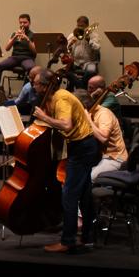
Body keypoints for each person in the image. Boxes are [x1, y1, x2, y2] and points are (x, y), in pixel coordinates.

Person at [31, 71, 99, 254]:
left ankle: (68, 241)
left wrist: (45, 118)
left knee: (69, 195)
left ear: (45, 86)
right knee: (84, 194)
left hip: (82, 148)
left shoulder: (61, 99)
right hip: (83, 147)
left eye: (36, 83)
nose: (33, 86)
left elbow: (66, 125)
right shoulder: (54, 98)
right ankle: (87, 237)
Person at [81, 89, 127, 180]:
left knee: (88, 178)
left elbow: (103, 138)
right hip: (100, 155)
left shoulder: (103, 114)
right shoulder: (91, 112)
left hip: (113, 158)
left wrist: (88, 120)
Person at [0, 14, 36, 94]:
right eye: (20, 23)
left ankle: (25, 92)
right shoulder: (14, 34)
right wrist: (14, 38)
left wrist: (27, 39)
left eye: (24, 22)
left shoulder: (32, 35)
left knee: (31, 68)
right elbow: (7, 48)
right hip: (15, 57)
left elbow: (35, 51)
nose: (22, 25)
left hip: (27, 57)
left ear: (29, 23)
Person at [65, 15, 101, 89]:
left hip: (90, 62)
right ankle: (82, 87)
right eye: (78, 26)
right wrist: (70, 44)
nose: (80, 28)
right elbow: (67, 50)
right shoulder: (73, 35)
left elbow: (97, 48)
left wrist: (89, 40)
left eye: (82, 26)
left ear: (87, 26)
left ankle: (80, 88)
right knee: (65, 72)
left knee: (91, 72)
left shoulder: (94, 36)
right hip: (75, 63)